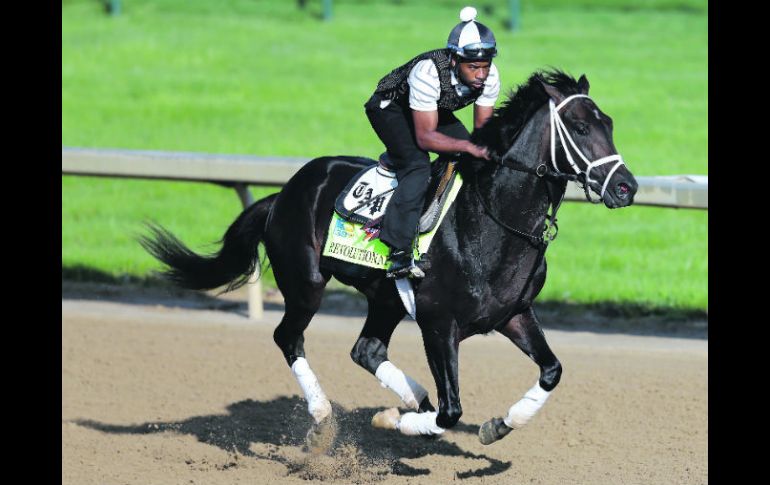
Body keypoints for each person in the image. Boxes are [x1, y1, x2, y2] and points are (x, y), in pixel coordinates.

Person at [364, 6, 500, 279]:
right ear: (453, 60)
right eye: (473, 67)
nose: (481, 75)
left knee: (478, 157)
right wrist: (466, 146)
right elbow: (425, 138)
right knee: (417, 166)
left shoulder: (491, 76)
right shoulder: (428, 72)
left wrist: (480, 149)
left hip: (430, 107)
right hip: (390, 108)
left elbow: (483, 134)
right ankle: (399, 253)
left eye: (484, 67)